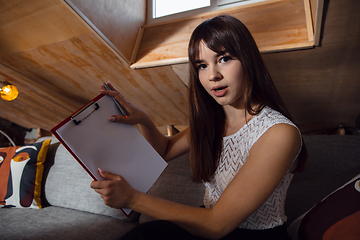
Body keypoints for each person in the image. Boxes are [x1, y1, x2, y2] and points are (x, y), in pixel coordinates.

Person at [90, 15, 308, 240]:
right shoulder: (211, 122)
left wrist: (133, 199)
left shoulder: (279, 133)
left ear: (248, 59)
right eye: (202, 66)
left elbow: (217, 225)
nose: (213, 75)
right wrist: (143, 120)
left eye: (224, 59)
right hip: (206, 225)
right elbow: (165, 150)